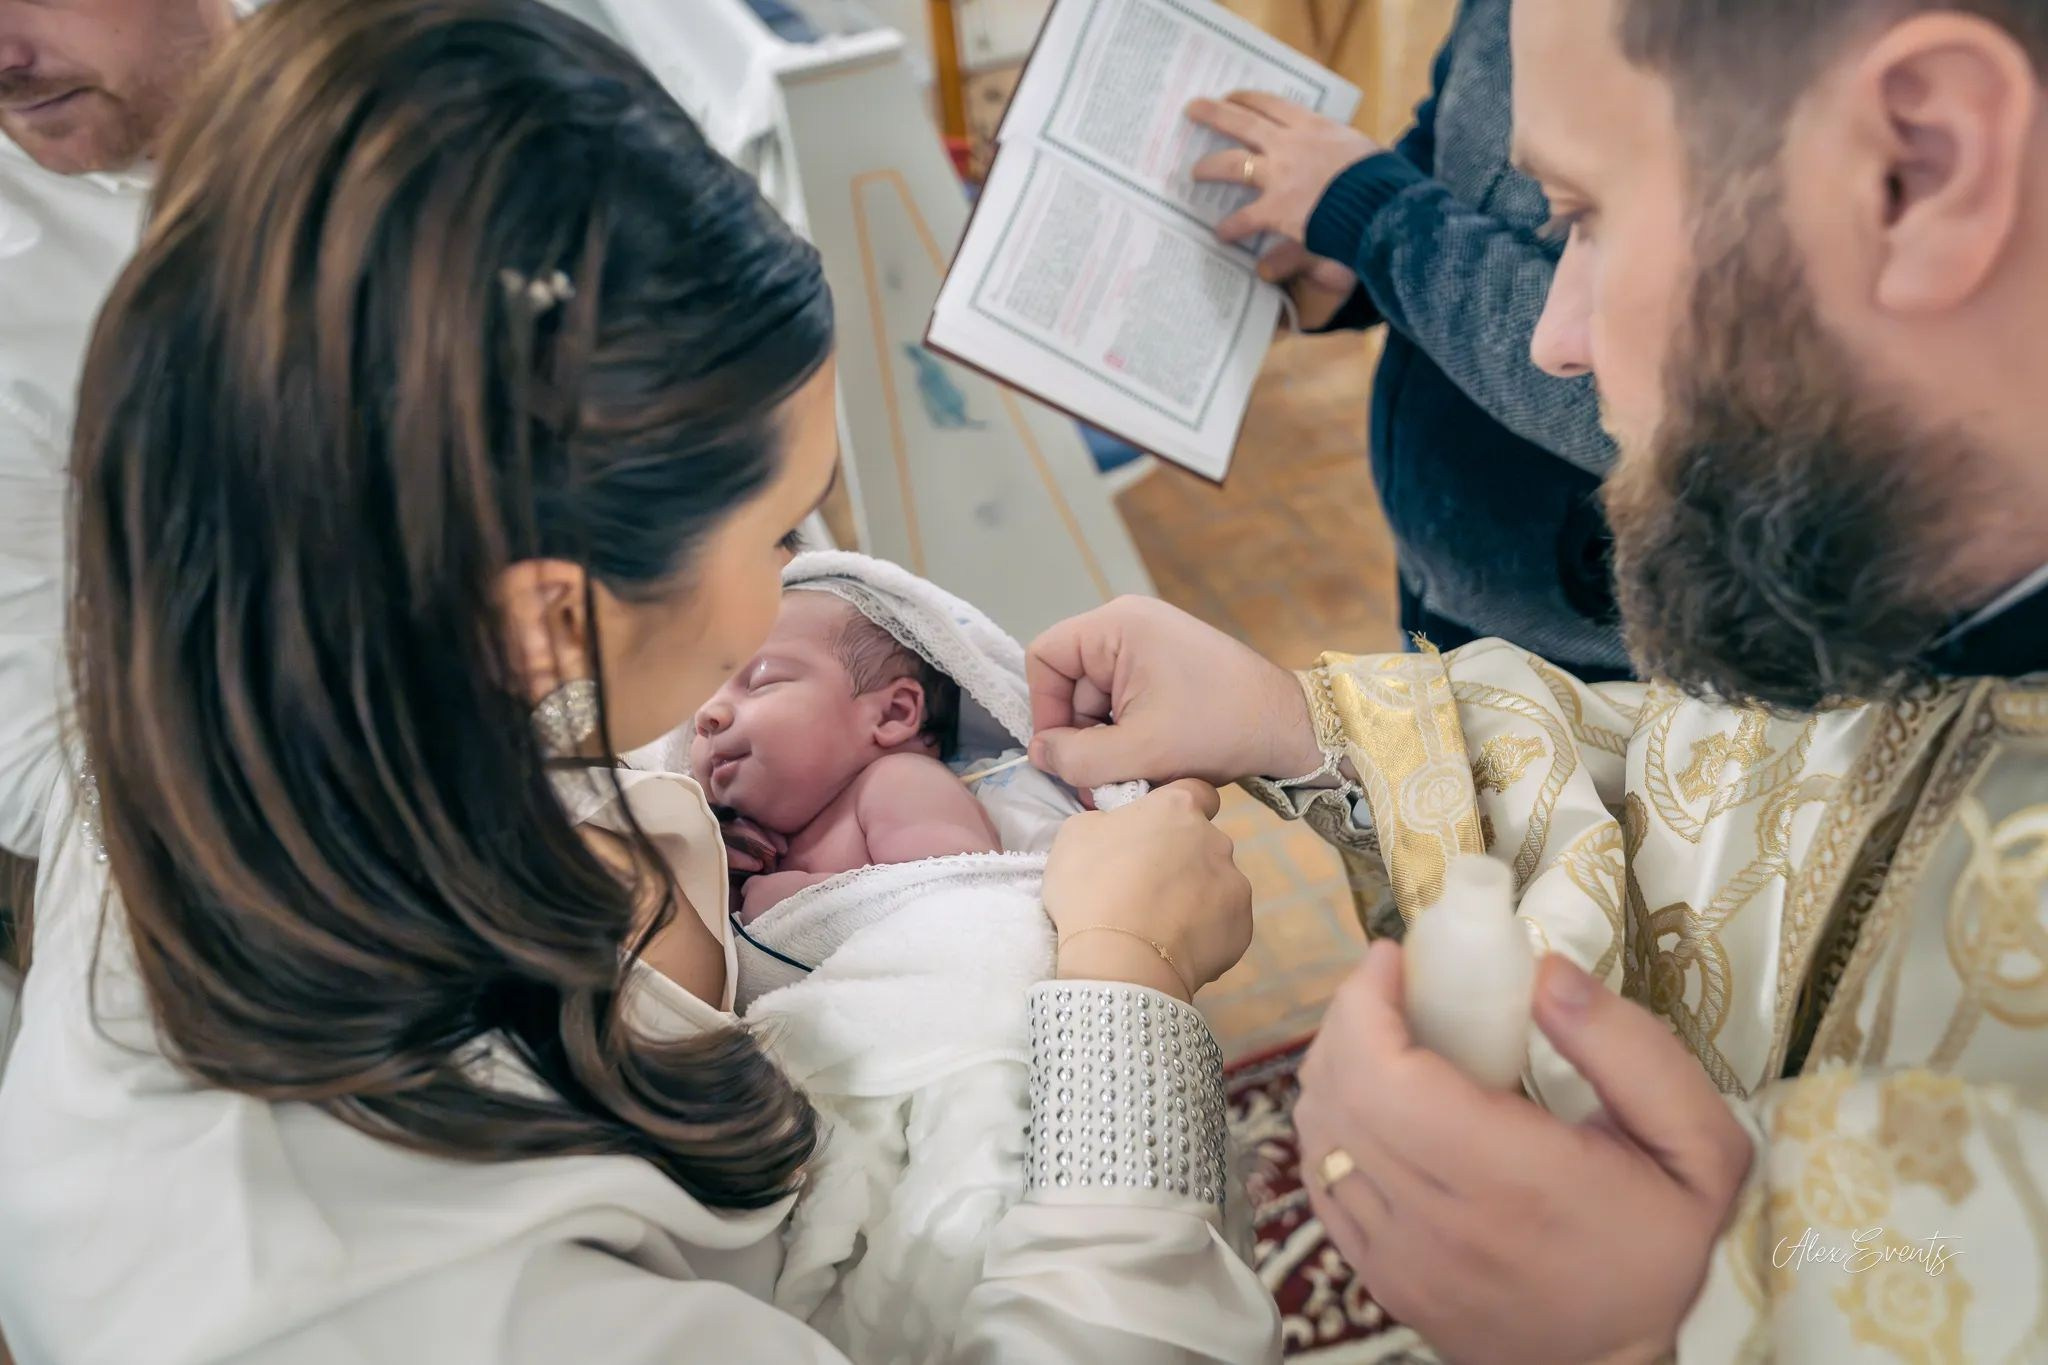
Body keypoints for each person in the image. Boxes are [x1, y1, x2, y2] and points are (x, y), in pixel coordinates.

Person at [0, 4, 1275, 1363]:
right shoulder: (346, 1290)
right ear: (548, 616)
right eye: (784, 535)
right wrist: (1126, 981)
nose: (812, 576)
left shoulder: (292, 676)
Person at [1031, 0, 2048, 1358]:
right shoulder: (1890, 569)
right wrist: (1317, 727)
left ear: (1917, 168)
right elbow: (1739, 813)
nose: (1557, 338)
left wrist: (1712, 1307)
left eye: (1585, 214)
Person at [1186, 0, 1629, 679]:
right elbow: (1451, 141)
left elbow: (1627, 371)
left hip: (1608, 645)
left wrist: (1377, 217)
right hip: (1452, 581)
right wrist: (1353, 264)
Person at [693, 588, 1000, 923]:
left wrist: (806, 899)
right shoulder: (752, 836)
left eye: (760, 681)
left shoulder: (901, 782)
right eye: (700, 694)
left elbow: (963, 898)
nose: (707, 713)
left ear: (892, 714)